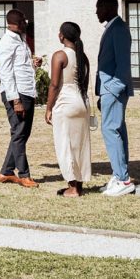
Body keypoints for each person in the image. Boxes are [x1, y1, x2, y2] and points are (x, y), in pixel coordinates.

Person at [44, 22, 90, 197]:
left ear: (62, 36)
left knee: (65, 145)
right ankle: (79, 184)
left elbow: (54, 85)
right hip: (81, 102)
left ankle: (72, 188)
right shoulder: (82, 57)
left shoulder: (60, 55)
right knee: (80, 145)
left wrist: (48, 108)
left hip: (66, 102)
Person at [95, 0, 134, 196]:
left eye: (99, 8)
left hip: (113, 88)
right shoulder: (113, 27)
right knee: (116, 130)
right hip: (109, 89)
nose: (96, 12)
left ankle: (123, 179)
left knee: (111, 130)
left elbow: (123, 63)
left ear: (109, 7)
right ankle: (119, 174)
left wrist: (112, 88)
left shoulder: (118, 29)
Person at [0, 9, 38, 188]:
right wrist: (16, 100)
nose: (26, 24)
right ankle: (24, 175)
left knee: (21, 133)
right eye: (23, 21)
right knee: (19, 133)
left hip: (26, 91)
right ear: (15, 23)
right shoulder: (6, 43)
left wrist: (33, 64)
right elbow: (5, 73)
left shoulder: (21, 39)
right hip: (17, 94)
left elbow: (19, 67)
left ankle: (6, 172)